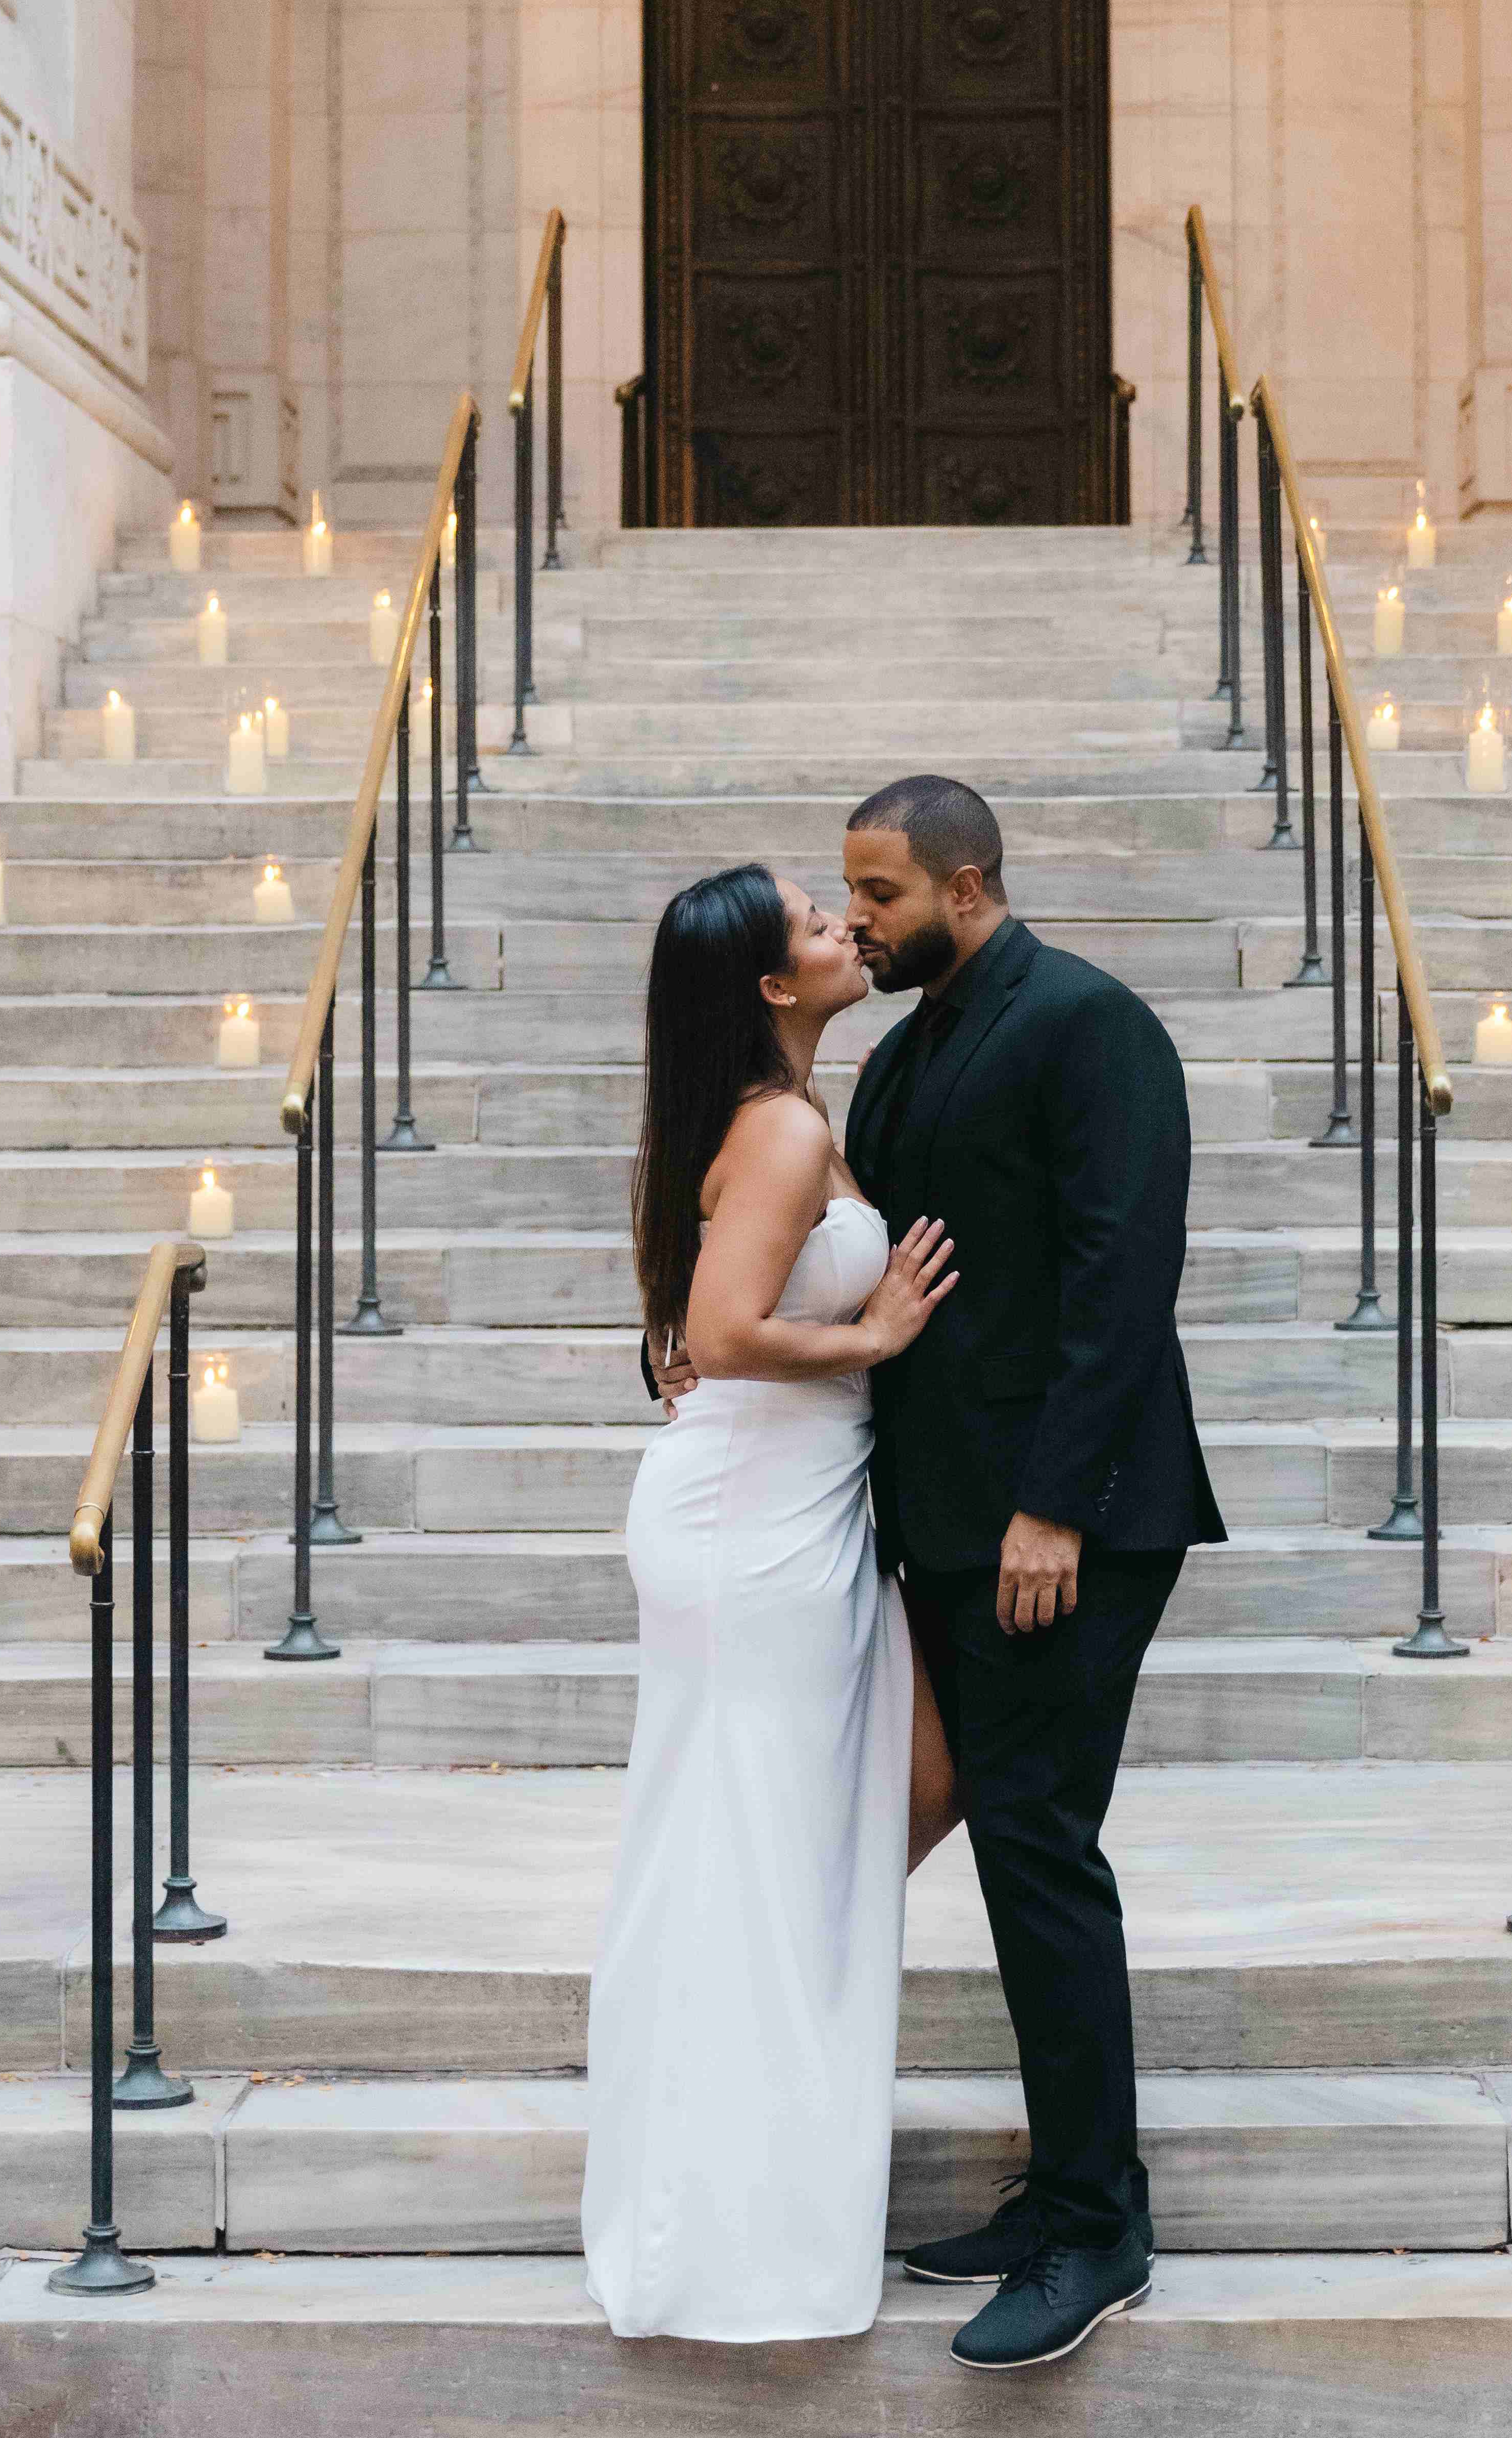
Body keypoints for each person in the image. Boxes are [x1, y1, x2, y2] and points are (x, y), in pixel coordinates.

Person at [841, 774, 1224, 2373]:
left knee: (1044, 1848)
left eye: (878, 893)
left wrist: (1055, 1506)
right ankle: (1065, 2182)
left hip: (1074, 1526)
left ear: (969, 883)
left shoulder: (1090, 1021)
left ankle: (1100, 2230)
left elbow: (1121, 1274)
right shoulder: (905, 1048)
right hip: (950, 1524)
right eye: (851, 894)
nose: (855, 918)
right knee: (1015, 1851)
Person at [580, 862, 962, 2343]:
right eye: (816, 922)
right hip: (754, 1528)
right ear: (769, 984)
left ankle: (730, 2204)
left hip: (777, 1513)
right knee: (755, 1856)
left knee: (763, 1851)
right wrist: (871, 1334)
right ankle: (727, 2236)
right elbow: (720, 1331)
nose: (844, 929)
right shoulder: (789, 1127)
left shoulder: (779, 1117)